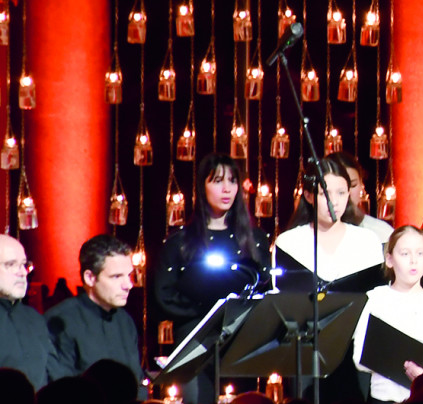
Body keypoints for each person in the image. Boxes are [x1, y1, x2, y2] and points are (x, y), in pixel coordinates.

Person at [154, 152, 270, 346]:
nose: (227, 189)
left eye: (232, 181)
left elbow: (266, 286)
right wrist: (208, 308)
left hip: (242, 337)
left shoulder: (254, 238)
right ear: (202, 186)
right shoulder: (180, 241)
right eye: (217, 181)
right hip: (196, 337)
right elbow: (164, 295)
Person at [351, 227, 423, 404]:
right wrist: (399, 365)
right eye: (404, 253)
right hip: (385, 401)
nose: (413, 261)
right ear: (389, 259)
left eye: (420, 253)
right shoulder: (374, 299)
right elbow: (359, 358)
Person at [44, 235, 142, 382]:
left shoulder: (125, 321)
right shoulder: (60, 321)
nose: (128, 285)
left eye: (129, 276)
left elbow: (137, 380)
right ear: (90, 278)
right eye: (116, 277)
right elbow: (62, 389)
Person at [274, 160, 385, 283]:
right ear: (308, 196)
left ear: (348, 194)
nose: (333, 202)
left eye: (341, 193)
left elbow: (376, 292)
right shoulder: (288, 243)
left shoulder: (367, 241)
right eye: (324, 194)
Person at [0, 233, 48, 389]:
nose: (22, 273)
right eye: (11, 264)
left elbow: (52, 372)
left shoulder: (34, 318)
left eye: (24, 264)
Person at [333, 153, 393, 242]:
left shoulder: (380, 231)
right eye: (338, 187)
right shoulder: (308, 234)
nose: (347, 193)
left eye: (353, 185)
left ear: (361, 184)